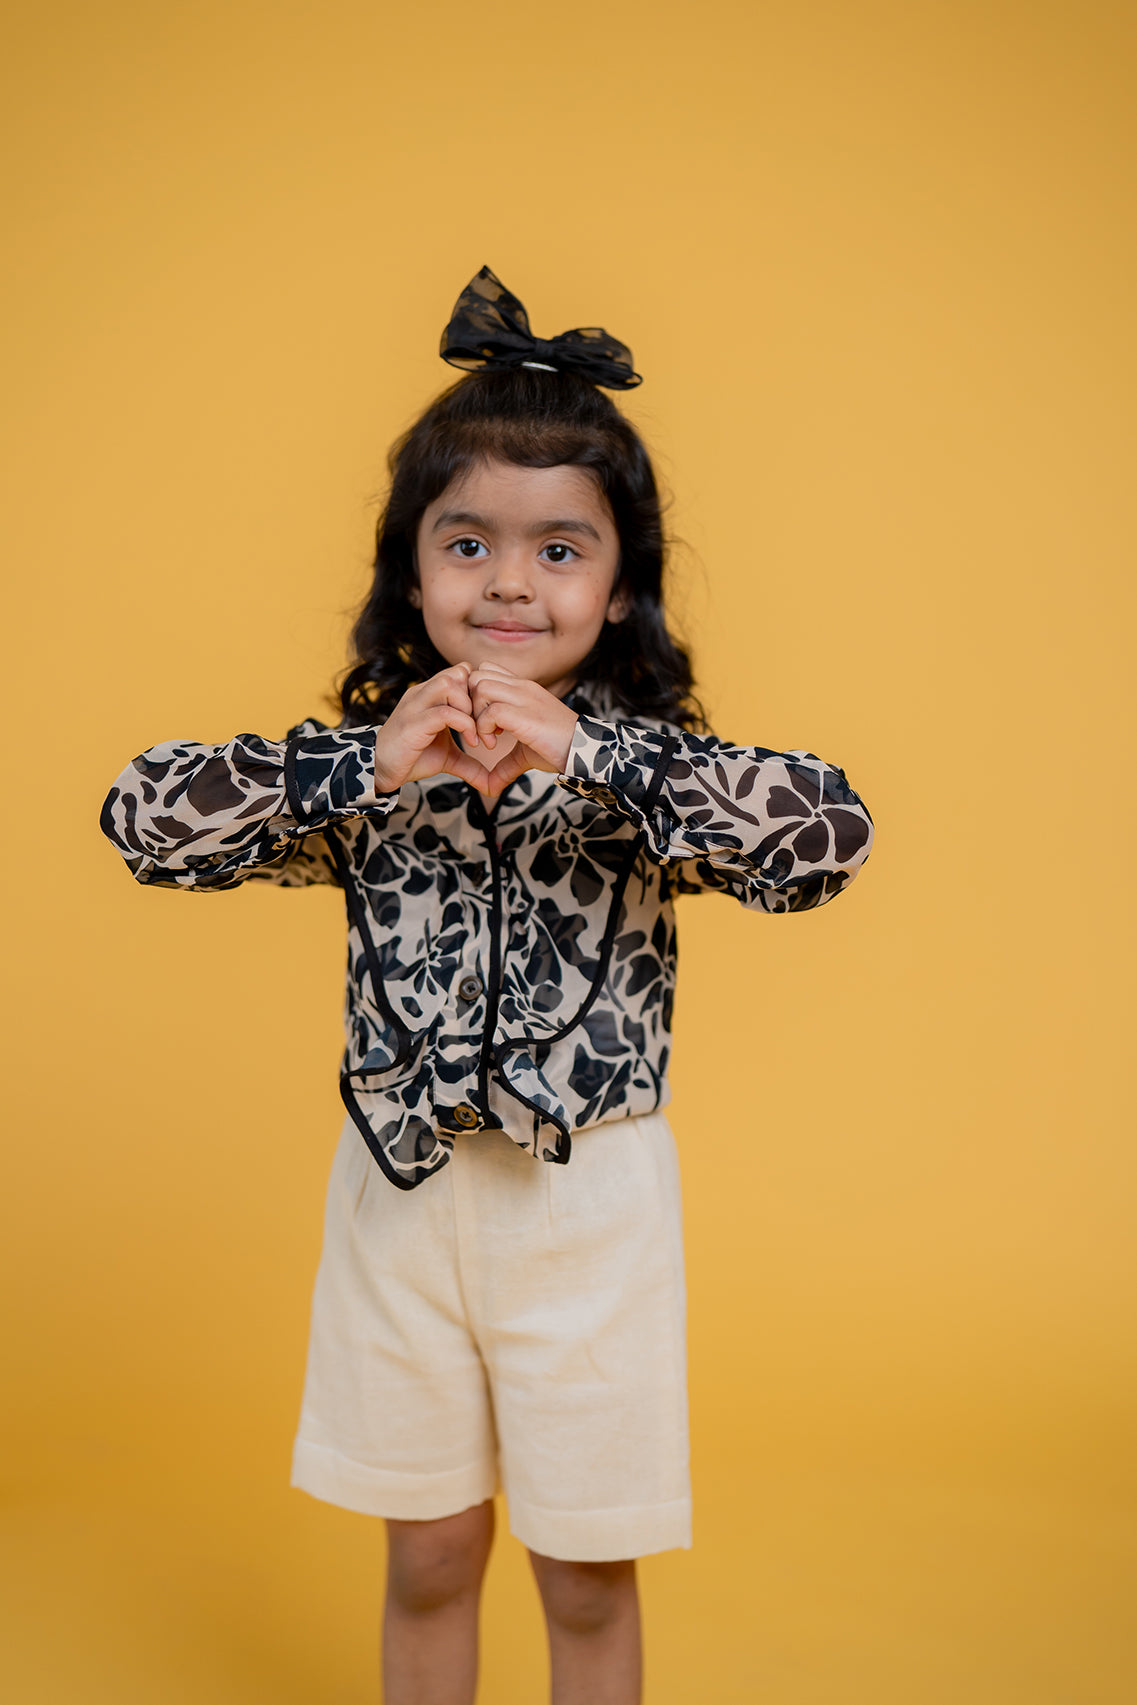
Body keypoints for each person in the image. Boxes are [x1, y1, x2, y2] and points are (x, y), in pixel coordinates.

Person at [101, 266, 874, 1705]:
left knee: (582, 1571)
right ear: (414, 572)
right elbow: (140, 818)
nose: (511, 582)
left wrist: (599, 760)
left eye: (559, 550)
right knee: (432, 1551)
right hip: (398, 1199)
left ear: (620, 581)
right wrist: (361, 763)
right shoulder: (375, 772)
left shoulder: (643, 779)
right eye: (467, 544)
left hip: (589, 1213)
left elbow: (827, 837)